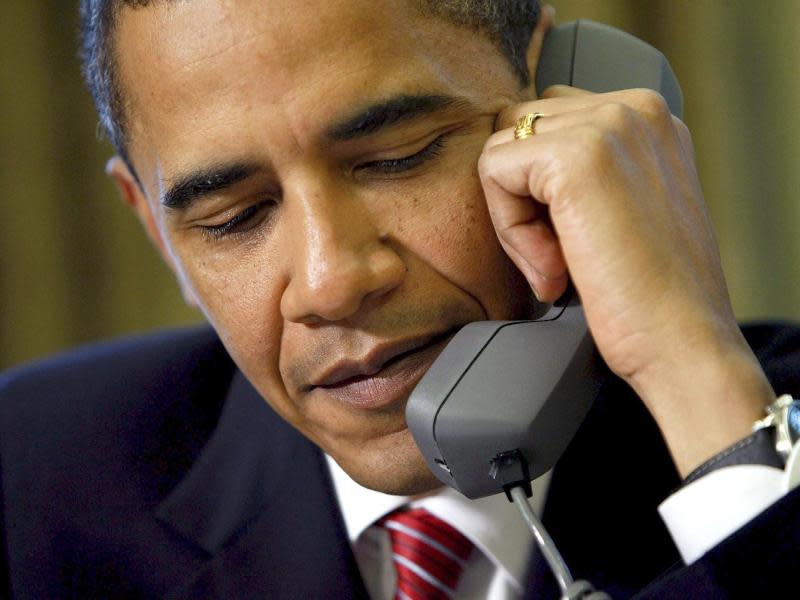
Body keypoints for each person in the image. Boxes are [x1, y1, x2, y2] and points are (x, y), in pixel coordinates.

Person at [1, 0, 798, 597]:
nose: (331, 282)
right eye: (234, 217)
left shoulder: (744, 418)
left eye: (398, 158)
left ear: (572, 97)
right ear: (157, 233)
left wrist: (693, 372)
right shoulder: (33, 482)